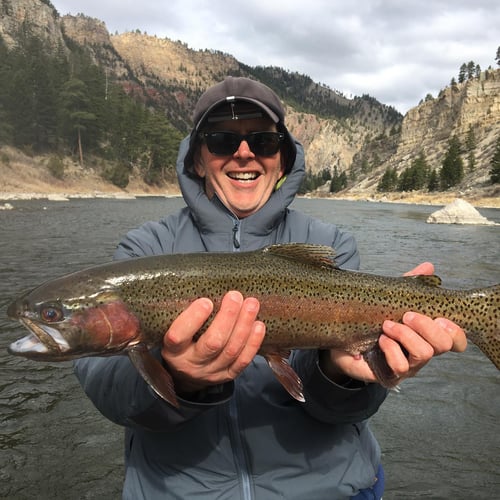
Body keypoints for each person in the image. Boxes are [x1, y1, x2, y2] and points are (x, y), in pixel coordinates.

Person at [74, 76, 467, 499]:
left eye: (262, 141)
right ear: (198, 160)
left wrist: (341, 374)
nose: (244, 154)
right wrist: (179, 378)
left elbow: (340, 410)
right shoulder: (144, 250)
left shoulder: (331, 244)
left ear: (282, 159)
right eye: (222, 140)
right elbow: (106, 387)